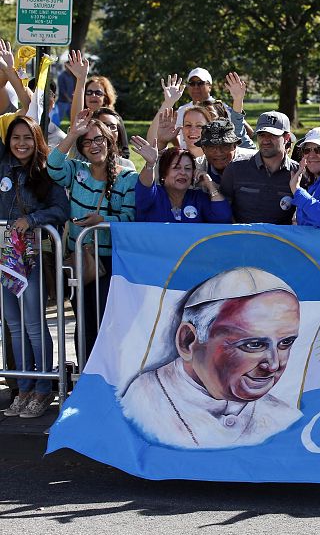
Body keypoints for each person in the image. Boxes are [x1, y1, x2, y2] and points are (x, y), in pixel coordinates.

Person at [119, 267, 303, 449]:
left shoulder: (284, 418)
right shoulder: (138, 406)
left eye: (285, 343)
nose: (273, 365)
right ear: (188, 341)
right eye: (253, 345)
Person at [47, 109, 138, 355]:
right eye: (86, 142)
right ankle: (84, 377)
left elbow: (129, 218)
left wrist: (102, 220)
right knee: (84, 324)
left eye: (98, 139)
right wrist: (73, 133)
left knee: (106, 324)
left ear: (110, 141)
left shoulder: (128, 177)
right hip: (79, 260)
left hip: (110, 264)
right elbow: (53, 166)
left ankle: (107, 382)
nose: (93, 145)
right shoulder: (77, 171)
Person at [0, 116, 69, 419]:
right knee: (13, 325)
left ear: (37, 139)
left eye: (27, 137)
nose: (21, 143)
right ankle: (24, 386)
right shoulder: (2, 168)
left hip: (32, 257)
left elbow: (61, 209)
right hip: (4, 260)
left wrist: (33, 220)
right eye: (15, 137)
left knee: (33, 325)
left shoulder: (46, 173)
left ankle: (43, 389)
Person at [221, 111, 299, 224]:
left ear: (286, 137)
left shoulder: (298, 173)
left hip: (282, 241)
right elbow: (223, 211)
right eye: (261, 135)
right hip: (241, 239)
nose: (266, 140)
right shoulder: (235, 169)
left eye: (272, 135)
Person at [130, 141, 232, 224]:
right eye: (176, 167)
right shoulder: (154, 195)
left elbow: (223, 219)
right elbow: (145, 186)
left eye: (188, 168)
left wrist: (210, 186)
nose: (183, 172)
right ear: (164, 172)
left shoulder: (198, 198)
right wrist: (150, 164)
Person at [192, 119, 257, 184]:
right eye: (212, 147)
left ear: (234, 146)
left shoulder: (255, 162)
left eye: (225, 146)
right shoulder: (196, 167)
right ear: (203, 149)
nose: (218, 152)